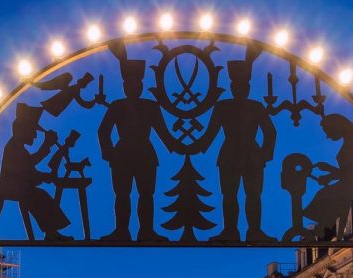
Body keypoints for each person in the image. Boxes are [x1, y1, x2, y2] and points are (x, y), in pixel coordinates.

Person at [98, 51, 180, 242]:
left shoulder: (150, 106)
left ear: (141, 85)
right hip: (122, 156)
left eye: (137, 83)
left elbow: (163, 132)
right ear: (125, 86)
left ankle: (146, 232)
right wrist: (108, 152)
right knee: (122, 195)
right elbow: (103, 131)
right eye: (129, 84)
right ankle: (122, 231)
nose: (133, 87)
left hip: (145, 156)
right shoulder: (117, 106)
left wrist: (179, 146)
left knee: (146, 195)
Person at [192, 58, 276, 242]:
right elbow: (211, 132)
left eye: (243, 85)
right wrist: (196, 147)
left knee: (252, 195)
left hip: (249, 155)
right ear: (232, 87)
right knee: (230, 195)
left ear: (247, 88)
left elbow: (270, 132)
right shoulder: (225, 106)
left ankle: (253, 231)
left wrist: (264, 155)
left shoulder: (255, 107)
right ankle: (231, 231)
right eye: (237, 85)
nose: (240, 89)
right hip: (231, 155)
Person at [0, 103, 71, 240]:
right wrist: (46, 146)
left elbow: (28, 166)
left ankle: (51, 232)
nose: (35, 136)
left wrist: (42, 175)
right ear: (23, 130)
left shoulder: (17, 147)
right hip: (14, 187)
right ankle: (51, 233)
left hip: (19, 186)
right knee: (40, 196)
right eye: (33, 131)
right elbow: (27, 168)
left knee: (41, 196)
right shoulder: (14, 148)